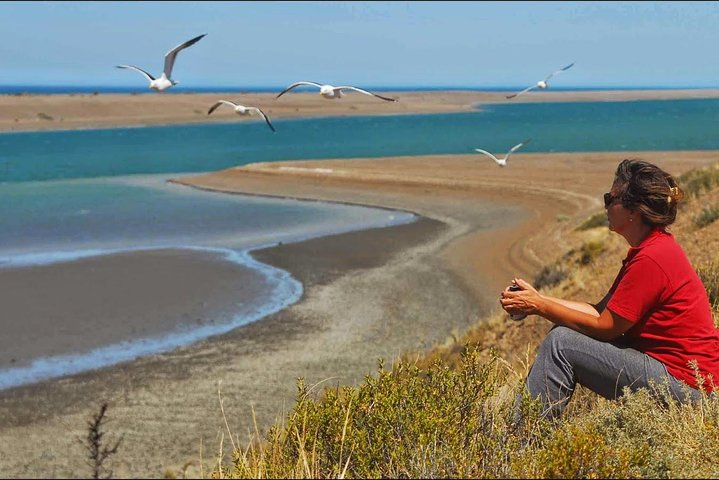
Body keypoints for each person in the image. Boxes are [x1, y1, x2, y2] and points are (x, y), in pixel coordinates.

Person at [501, 158, 719, 420]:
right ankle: (528, 435)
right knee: (563, 332)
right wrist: (537, 299)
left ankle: (523, 442)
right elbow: (599, 311)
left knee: (561, 344)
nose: (605, 205)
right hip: (685, 380)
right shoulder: (651, 249)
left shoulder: (652, 257)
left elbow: (606, 328)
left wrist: (540, 306)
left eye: (610, 198)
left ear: (633, 210)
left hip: (691, 389)